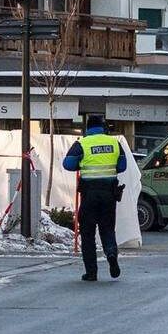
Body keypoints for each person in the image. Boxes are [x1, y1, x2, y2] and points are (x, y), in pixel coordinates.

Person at [63, 115, 127, 282]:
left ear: (87, 128)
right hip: (109, 194)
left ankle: (91, 272)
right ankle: (111, 254)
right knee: (107, 228)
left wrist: (82, 163)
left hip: (89, 194)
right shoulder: (114, 143)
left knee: (88, 233)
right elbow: (122, 166)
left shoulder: (82, 144)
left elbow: (67, 164)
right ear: (103, 127)